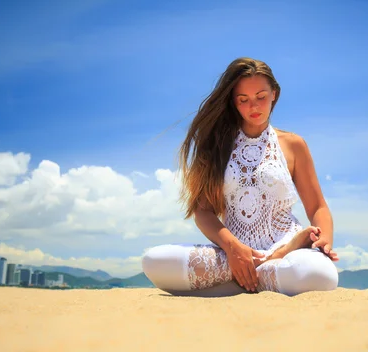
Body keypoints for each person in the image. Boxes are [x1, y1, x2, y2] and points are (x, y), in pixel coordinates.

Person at [142, 57, 339, 297]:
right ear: (233, 102)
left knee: (321, 275)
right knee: (154, 261)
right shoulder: (216, 146)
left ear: (274, 94)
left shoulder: (293, 145)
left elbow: (317, 206)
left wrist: (324, 241)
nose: (253, 107)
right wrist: (233, 249)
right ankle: (261, 272)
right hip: (231, 253)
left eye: (261, 97)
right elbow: (203, 211)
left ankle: (254, 272)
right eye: (243, 100)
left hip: (287, 247)